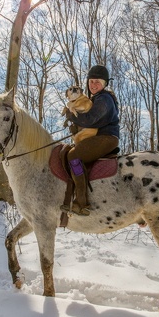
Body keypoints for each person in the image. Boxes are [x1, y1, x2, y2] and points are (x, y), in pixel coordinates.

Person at [63, 65, 120, 216]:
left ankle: (81, 202)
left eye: (98, 82)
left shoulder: (104, 99)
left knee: (73, 156)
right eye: (91, 81)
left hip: (106, 138)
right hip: (100, 137)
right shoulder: (95, 98)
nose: (94, 85)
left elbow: (90, 119)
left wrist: (71, 115)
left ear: (104, 84)